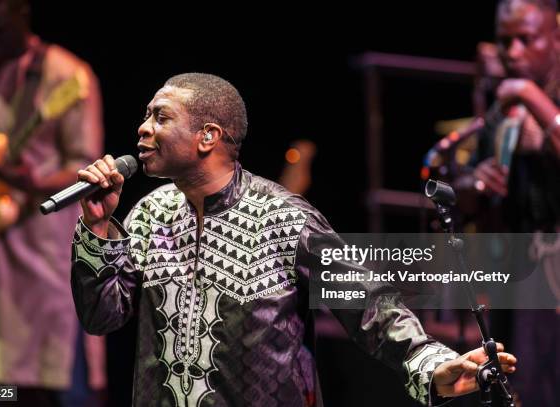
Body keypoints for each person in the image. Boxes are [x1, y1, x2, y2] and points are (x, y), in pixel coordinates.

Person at [71, 72, 517, 406]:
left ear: (208, 136)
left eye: (160, 116)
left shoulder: (284, 218)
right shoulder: (150, 213)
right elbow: (102, 318)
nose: (143, 128)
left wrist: (431, 363)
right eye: (146, 116)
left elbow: (369, 307)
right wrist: (95, 228)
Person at [0, 0, 105, 404]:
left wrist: (34, 182)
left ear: (21, 11)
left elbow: (87, 168)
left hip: (41, 255)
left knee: (35, 383)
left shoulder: (67, 75)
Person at [459, 0, 560, 405]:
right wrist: (474, 183)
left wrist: (530, 95)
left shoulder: (526, 96)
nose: (513, 52)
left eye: (526, 39)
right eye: (506, 41)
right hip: (518, 280)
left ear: (555, 37)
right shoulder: (504, 111)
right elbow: (469, 192)